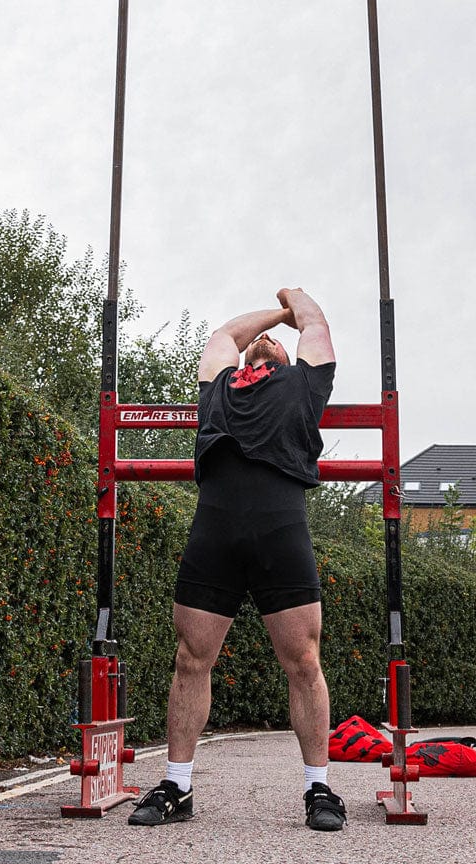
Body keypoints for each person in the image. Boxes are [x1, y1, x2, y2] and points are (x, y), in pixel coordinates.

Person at [128, 287, 347, 832]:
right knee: (189, 659)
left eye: (277, 340)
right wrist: (276, 316)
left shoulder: (304, 384)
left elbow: (316, 325)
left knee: (303, 663)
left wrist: (293, 299)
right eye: (259, 343)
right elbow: (225, 336)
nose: (266, 341)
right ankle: (178, 785)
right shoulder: (220, 386)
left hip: (281, 529)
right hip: (216, 529)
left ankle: (317, 789)